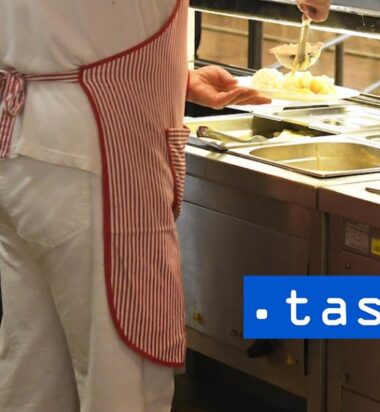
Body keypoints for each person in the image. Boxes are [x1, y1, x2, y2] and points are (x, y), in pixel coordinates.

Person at [0, 0, 331, 411]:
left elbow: (75, 33)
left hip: (23, 144)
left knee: (36, 373)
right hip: (96, 158)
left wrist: (176, 78)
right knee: (121, 381)